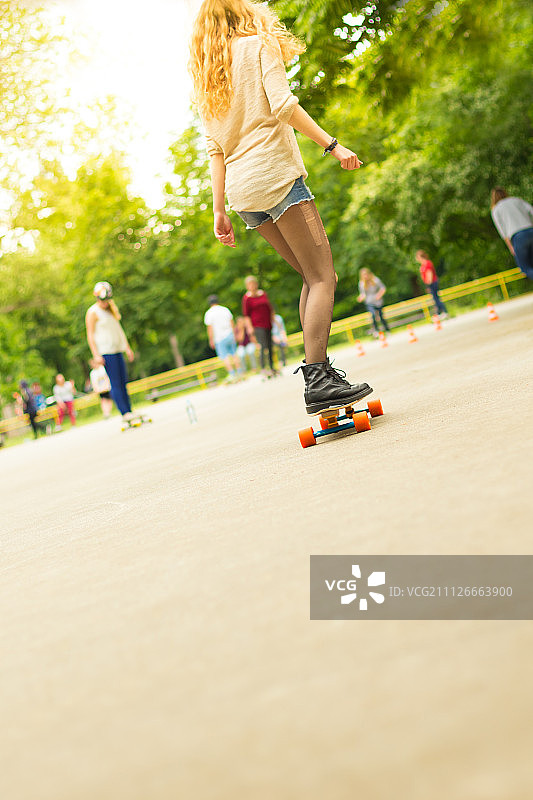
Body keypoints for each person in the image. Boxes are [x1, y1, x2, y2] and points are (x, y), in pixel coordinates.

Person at [189, 0, 372, 415]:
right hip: (275, 177)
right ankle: (319, 378)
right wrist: (332, 144)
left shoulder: (208, 77)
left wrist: (219, 212)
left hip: (242, 194)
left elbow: (215, 151)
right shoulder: (258, 45)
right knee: (325, 276)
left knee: (310, 276)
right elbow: (284, 105)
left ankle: (318, 375)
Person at [85, 281, 135, 422]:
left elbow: (119, 330)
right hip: (106, 351)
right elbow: (90, 335)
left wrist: (127, 347)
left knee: (123, 381)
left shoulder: (111, 310)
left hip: (117, 349)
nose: (105, 302)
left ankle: (129, 410)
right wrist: (96, 354)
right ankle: (124, 412)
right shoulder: (93, 312)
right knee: (115, 382)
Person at [490, 187, 533, 279]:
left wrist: (510, 246)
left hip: (518, 237)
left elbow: (502, 231)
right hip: (530, 230)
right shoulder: (516, 200)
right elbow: (531, 211)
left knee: (525, 268)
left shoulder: (496, 209)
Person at [242, 275, 277, 376]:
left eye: (253, 283)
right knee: (263, 346)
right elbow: (246, 315)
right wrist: (249, 328)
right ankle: (263, 368)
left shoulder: (263, 294)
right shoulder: (247, 298)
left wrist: (273, 319)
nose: (252, 286)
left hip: (267, 323)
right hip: (257, 324)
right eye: (250, 284)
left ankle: (272, 367)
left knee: (270, 345)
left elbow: (269, 307)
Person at [203, 294, 242, 381]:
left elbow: (210, 328)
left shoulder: (209, 313)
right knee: (234, 354)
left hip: (219, 338)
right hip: (230, 334)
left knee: (225, 357)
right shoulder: (225, 309)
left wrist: (211, 339)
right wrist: (235, 334)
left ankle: (232, 374)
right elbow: (232, 322)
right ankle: (240, 373)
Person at [357, 268, 390, 337]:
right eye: (363, 275)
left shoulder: (375, 280)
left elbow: (383, 288)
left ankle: (387, 330)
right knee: (373, 315)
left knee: (381, 316)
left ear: (369, 274)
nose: (365, 276)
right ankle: (376, 331)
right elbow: (363, 294)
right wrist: (360, 297)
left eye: (366, 274)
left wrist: (379, 295)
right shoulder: (361, 284)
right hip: (369, 302)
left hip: (378, 301)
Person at [415, 250, 448, 319]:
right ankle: (440, 312)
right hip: (429, 283)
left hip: (432, 283)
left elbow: (429, 275)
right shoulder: (423, 265)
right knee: (435, 299)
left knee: (436, 299)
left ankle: (444, 312)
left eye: (418, 257)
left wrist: (428, 285)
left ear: (421, 257)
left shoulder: (427, 263)